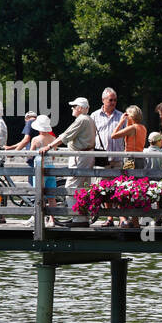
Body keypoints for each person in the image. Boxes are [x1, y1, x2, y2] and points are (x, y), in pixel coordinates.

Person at [39, 96, 96, 225]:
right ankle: (83, 218)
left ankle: (77, 218)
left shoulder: (81, 120)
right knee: (83, 188)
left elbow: (66, 135)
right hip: (87, 155)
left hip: (80, 157)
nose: (72, 108)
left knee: (71, 187)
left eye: (74, 106)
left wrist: (49, 146)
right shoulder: (89, 119)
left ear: (80, 108)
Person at [92, 88, 125, 169]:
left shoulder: (122, 116)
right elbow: (90, 136)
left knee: (119, 182)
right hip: (101, 160)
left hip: (118, 159)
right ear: (103, 100)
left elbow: (127, 137)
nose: (113, 102)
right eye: (110, 100)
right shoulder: (94, 116)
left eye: (115, 100)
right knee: (100, 182)